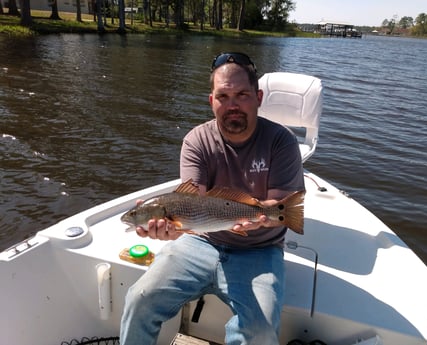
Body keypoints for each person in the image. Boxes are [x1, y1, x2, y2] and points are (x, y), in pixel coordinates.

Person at [120, 52, 305, 345]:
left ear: (258, 97)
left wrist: (261, 218)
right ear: (211, 101)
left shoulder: (280, 141)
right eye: (223, 96)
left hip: (259, 250)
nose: (232, 105)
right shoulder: (196, 140)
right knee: (139, 298)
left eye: (242, 94)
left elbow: (281, 206)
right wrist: (172, 229)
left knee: (259, 331)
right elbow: (193, 198)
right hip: (200, 241)